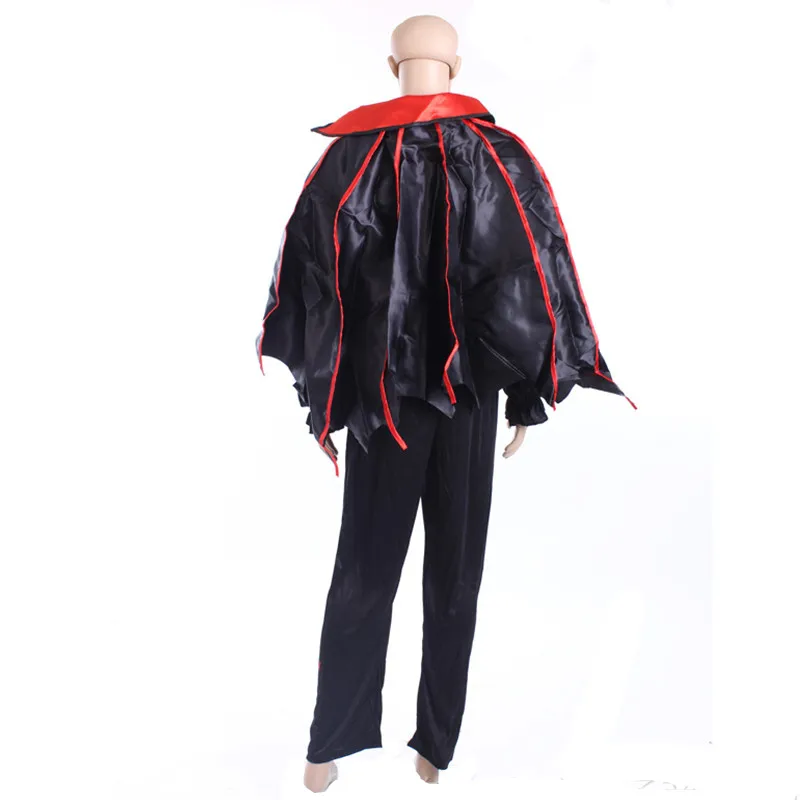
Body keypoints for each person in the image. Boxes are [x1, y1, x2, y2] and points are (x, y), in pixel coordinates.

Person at [254, 15, 634, 792]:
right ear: (454, 64)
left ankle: (329, 747)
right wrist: (526, 393)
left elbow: (315, 284)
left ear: (391, 63)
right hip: (464, 399)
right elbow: (528, 276)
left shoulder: (348, 157)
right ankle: (434, 745)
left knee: (365, 569)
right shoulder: (499, 154)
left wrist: (324, 393)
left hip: (385, 404)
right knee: (454, 575)